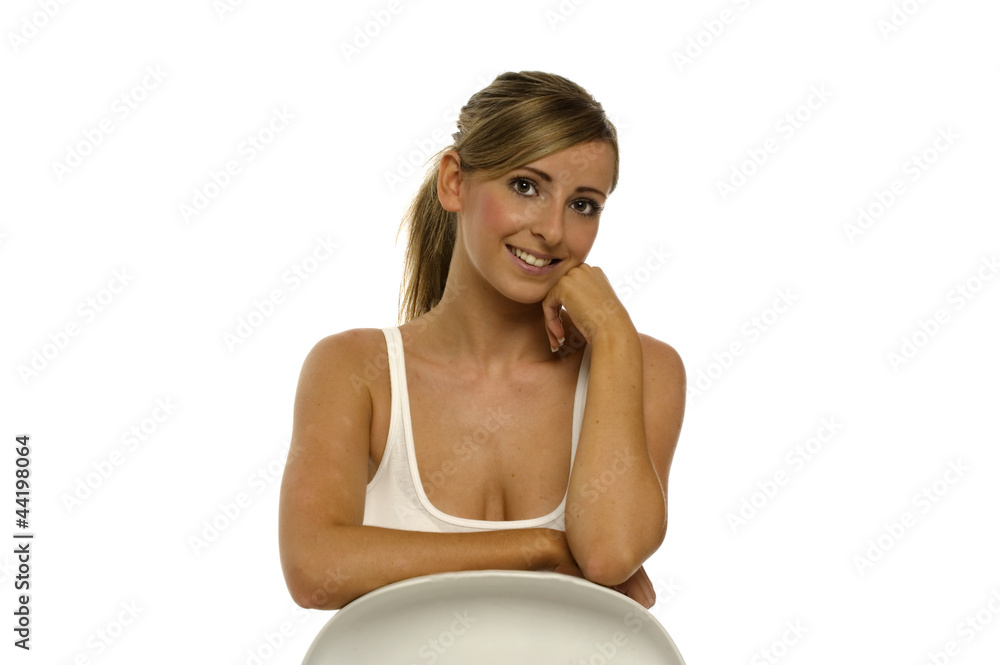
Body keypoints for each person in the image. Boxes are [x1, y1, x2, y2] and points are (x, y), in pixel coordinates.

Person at [278, 71, 685, 612]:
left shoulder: (644, 368)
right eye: (526, 187)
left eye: (583, 204)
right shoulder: (355, 369)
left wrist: (613, 336)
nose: (553, 231)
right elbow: (313, 568)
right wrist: (540, 549)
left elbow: (609, 555)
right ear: (454, 182)